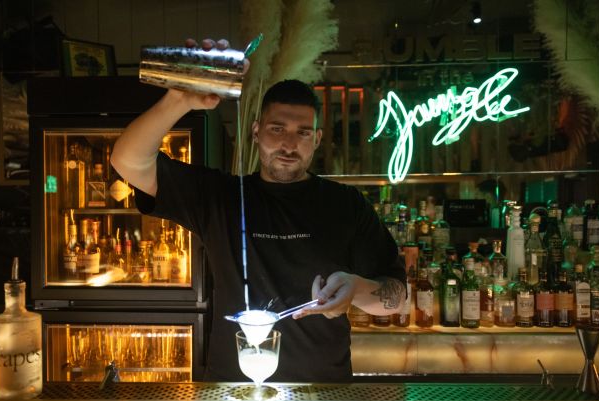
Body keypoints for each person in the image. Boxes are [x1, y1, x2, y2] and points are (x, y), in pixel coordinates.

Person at [111, 38, 406, 383]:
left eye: (302, 133)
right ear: (256, 132)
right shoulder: (220, 197)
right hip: (232, 391)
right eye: (277, 129)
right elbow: (127, 161)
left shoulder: (346, 205)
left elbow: (397, 297)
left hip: (322, 392)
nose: (289, 144)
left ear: (317, 139)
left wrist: (355, 289)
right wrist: (180, 100)